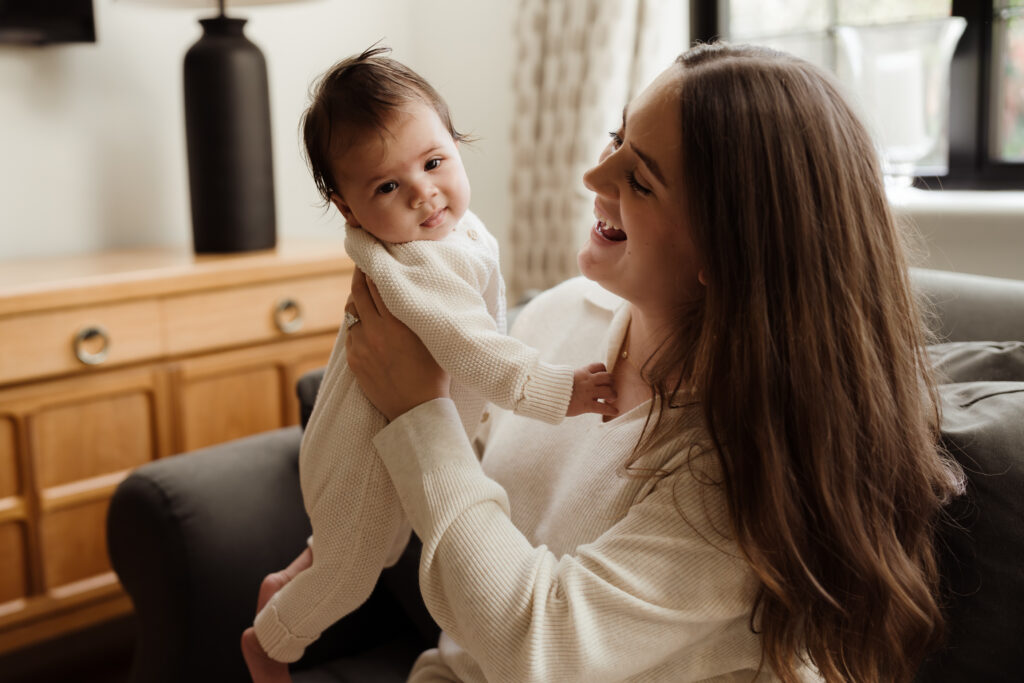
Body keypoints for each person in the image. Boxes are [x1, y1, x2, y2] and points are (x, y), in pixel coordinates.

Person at [256, 41, 966, 682]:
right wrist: (334, 548)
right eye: (616, 138)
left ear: (726, 252)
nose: (594, 174)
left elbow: (540, 646)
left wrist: (418, 412)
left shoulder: (742, 468)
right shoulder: (559, 317)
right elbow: (455, 508)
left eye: (641, 177)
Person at [240, 47, 617, 680]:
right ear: (348, 208)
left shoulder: (453, 234)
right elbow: (474, 347)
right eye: (388, 186)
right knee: (353, 572)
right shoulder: (418, 265)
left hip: (385, 443)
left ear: (455, 143)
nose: (424, 194)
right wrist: (562, 391)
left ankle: (292, 575)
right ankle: (271, 642)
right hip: (363, 453)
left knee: (373, 546)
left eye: (435, 162)